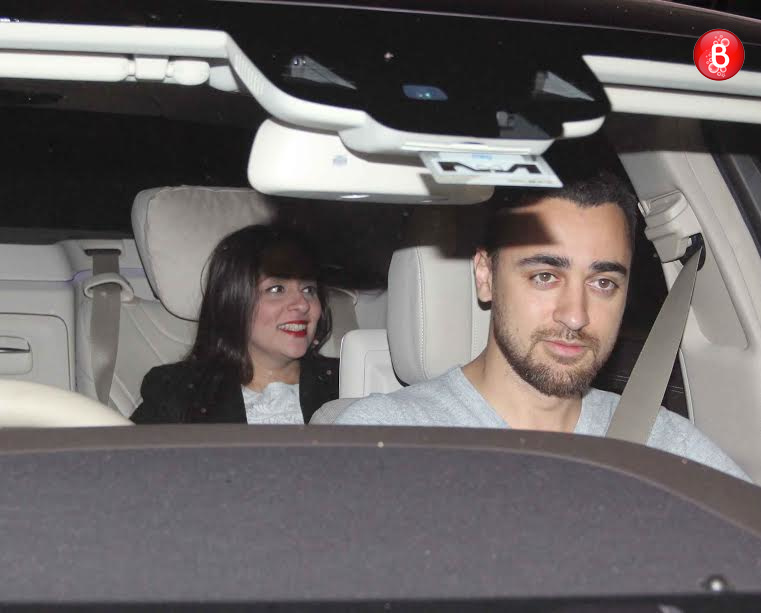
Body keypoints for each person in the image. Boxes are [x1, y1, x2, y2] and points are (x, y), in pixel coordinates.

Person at [314, 172, 750, 481]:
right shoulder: (386, 441)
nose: (575, 315)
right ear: (485, 275)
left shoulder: (666, 449)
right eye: (545, 276)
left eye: (603, 282)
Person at [131, 224, 338, 424]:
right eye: (276, 289)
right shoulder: (179, 393)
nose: (302, 304)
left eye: (309, 290)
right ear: (233, 301)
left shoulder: (347, 382)